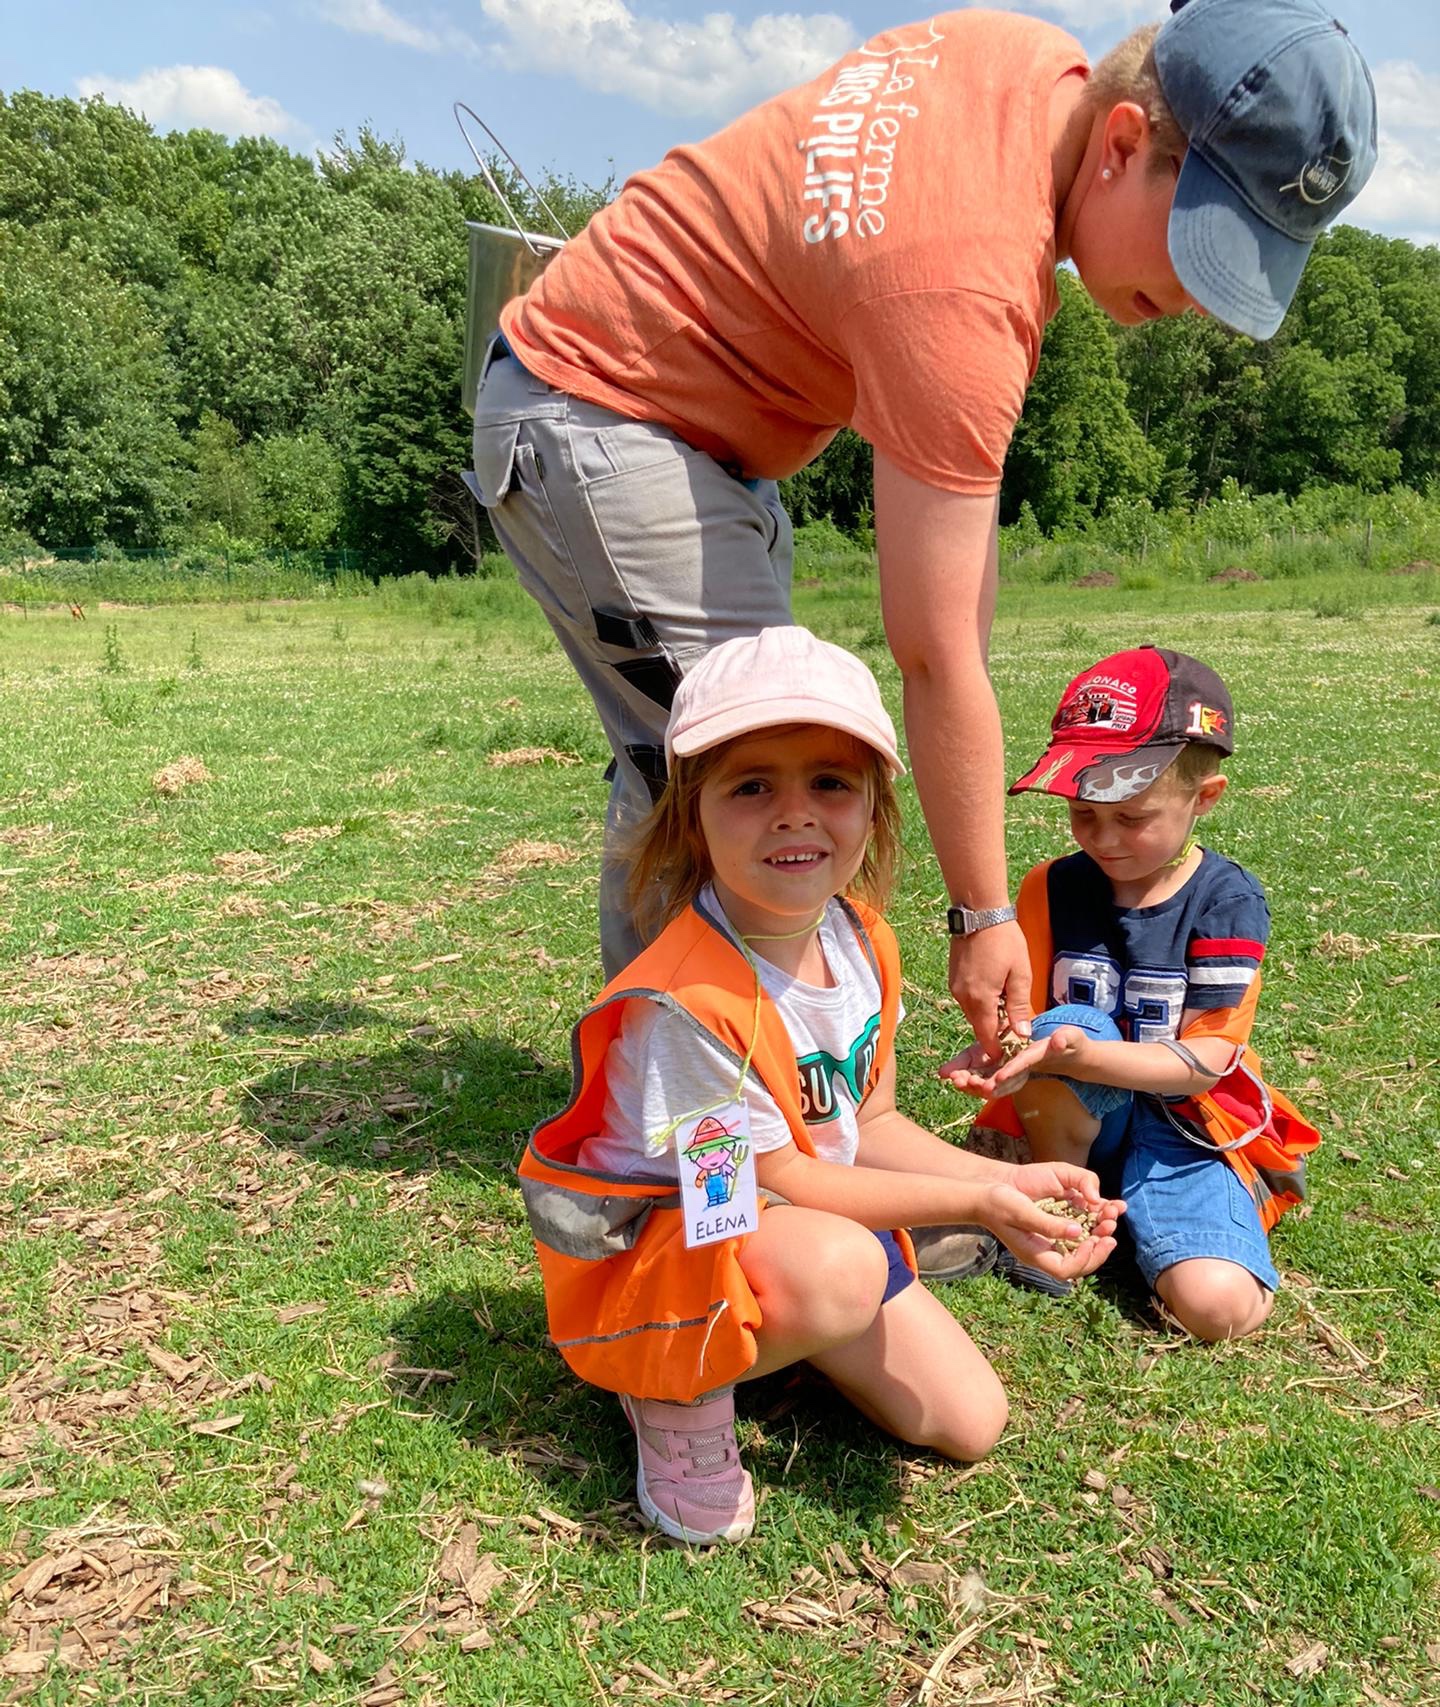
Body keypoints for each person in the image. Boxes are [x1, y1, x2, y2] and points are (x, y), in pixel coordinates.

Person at [472, 0, 1377, 1073]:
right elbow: (937, 651)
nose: (1200, 303)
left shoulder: (1030, 68)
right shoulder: (961, 281)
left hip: (687, 426)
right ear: (1123, 142)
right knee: (767, 770)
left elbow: (963, 608)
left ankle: (664, 1088)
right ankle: (741, 1127)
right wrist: (982, 914)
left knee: (684, 761)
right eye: (1203, 248)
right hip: (607, 411)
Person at [519, 627, 1125, 1545]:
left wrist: (1007, 1184)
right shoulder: (686, 1004)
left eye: (831, 783)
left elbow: (869, 1125)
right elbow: (757, 1189)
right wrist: (982, 1203)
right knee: (843, 1268)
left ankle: (787, 1332)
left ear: (875, 810)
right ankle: (671, 1384)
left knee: (970, 1420)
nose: (795, 814)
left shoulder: (864, 942)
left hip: (791, 1230)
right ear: (691, 816)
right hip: (677, 1251)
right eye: (752, 786)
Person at [942, 645, 1320, 1341]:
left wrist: (1073, 1054)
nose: (1103, 838)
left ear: (1204, 799)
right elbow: (1027, 1020)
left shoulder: (1226, 901)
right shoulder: (1051, 886)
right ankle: (1059, 1205)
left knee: (1216, 1310)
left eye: (1132, 816)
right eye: (1084, 813)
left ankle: (1197, 1212)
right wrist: (1000, 1051)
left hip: (1186, 1126)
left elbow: (1205, 1063)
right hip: (1072, 1121)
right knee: (1071, 1020)